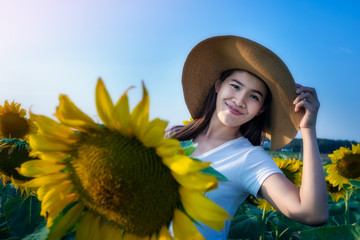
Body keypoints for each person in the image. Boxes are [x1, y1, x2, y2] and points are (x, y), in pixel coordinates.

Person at [169, 35, 328, 239]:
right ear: (218, 85)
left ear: (261, 109)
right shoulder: (173, 137)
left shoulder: (249, 159)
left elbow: (312, 212)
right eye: (235, 86)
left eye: (254, 96)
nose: (239, 100)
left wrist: (308, 130)